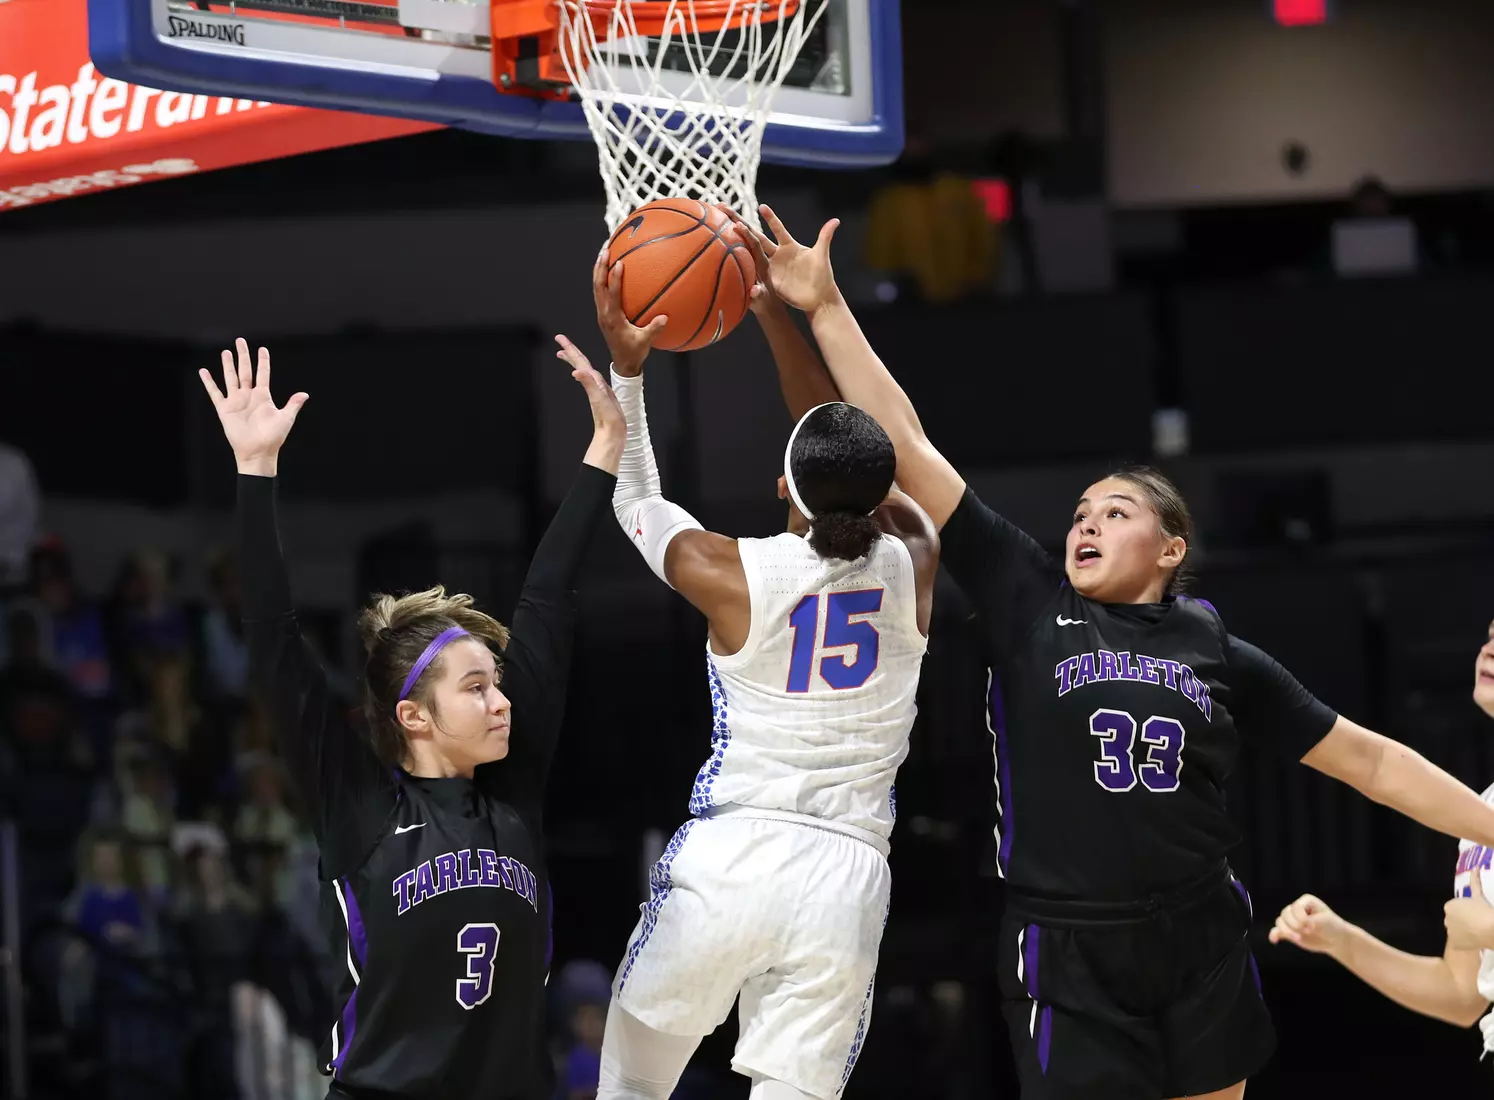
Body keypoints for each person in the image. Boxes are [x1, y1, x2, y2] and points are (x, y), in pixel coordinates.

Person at [729, 203, 1494, 1100]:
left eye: (1116, 513)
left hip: (1199, 929)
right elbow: (908, 444)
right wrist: (825, 308)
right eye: (1081, 513)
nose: (1086, 523)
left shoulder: (1220, 652)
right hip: (1068, 943)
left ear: (1171, 550)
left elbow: (1368, 760)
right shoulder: (1025, 595)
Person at [557, 243, 938, 1100]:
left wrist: (630, 374)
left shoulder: (732, 574)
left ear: (784, 489)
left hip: (737, 852)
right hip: (845, 876)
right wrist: (777, 314)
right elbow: (848, 446)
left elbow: (634, 498)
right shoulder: (915, 556)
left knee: (629, 1083)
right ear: (878, 492)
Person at [200, 335, 624, 1099]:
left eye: (498, 684)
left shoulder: (512, 789)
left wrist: (602, 452)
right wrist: (255, 470)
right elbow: (273, 641)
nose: (501, 701)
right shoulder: (360, 807)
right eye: (475, 688)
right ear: (414, 716)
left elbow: (547, 601)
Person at [1270, 617, 1494, 1048]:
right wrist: (1341, 939)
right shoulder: (1478, 814)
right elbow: (1461, 996)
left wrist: (1488, 930)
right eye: (1489, 638)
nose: (1489, 651)